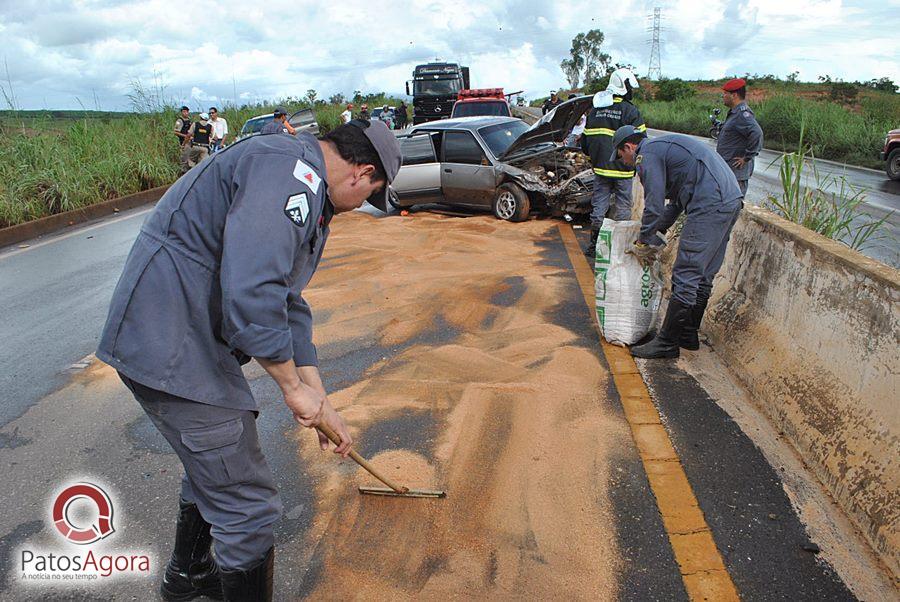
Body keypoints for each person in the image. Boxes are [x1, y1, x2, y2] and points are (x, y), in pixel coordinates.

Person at [96, 119, 402, 600]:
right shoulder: (289, 173)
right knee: (247, 506)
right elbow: (253, 291)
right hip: (172, 347)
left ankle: (189, 574)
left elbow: (287, 300)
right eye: (369, 195)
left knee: (215, 470)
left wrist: (319, 397)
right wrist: (292, 388)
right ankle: (194, 575)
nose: (361, 204)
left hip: (184, 342)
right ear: (361, 174)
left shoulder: (301, 178)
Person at [609, 125, 743, 359]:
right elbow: (675, 204)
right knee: (704, 272)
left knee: (687, 271)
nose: (624, 162)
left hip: (710, 202)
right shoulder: (663, 149)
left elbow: (653, 204)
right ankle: (688, 334)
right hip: (729, 199)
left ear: (629, 147)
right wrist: (658, 228)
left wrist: (643, 240)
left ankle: (667, 343)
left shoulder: (646, 155)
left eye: (622, 156)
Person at [580, 68, 646, 256]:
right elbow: (642, 141)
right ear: (623, 86)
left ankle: (594, 246)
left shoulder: (596, 110)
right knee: (623, 208)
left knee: (599, 206)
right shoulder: (630, 111)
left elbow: (585, 142)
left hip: (601, 169)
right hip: (624, 171)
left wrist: (595, 158)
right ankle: (619, 248)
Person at [715, 78, 763, 196]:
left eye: (725, 93)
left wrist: (746, 157)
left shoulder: (742, 114)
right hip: (729, 171)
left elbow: (757, 133)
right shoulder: (734, 113)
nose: (723, 96)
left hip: (736, 174)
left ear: (734, 95)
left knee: (733, 205)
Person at [174, 106, 193, 173]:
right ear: (181, 112)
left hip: (191, 141)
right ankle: (184, 172)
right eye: (183, 112)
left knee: (190, 158)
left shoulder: (189, 120)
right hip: (184, 142)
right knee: (184, 158)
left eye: (186, 111)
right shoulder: (179, 121)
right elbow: (176, 132)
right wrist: (186, 136)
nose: (185, 113)